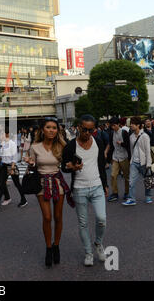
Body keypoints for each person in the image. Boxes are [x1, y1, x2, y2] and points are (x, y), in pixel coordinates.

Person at [61, 114, 108, 267]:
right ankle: (88, 252)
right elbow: (64, 167)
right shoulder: (70, 146)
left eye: (91, 130)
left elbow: (101, 165)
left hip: (97, 186)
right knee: (83, 223)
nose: (87, 133)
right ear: (79, 128)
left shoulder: (98, 142)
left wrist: (105, 184)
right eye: (85, 129)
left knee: (102, 219)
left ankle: (98, 243)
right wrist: (72, 167)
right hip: (79, 188)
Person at [25, 118, 70, 267]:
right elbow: (32, 168)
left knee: (58, 216)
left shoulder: (62, 146)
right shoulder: (35, 147)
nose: (51, 130)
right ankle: (48, 248)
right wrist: (31, 164)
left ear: (58, 131)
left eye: (54, 128)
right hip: (42, 183)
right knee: (47, 217)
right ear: (42, 130)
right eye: (48, 127)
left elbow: (67, 165)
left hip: (57, 182)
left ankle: (56, 245)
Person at [0, 128, 27, 211]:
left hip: (11, 166)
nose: (0, 136)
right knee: (2, 184)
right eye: (0, 135)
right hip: (4, 167)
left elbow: (14, 157)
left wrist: (12, 168)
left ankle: (23, 199)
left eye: (2, 134)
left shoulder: (12, 144)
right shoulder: (1, 144)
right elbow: (0, 156)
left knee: (17, 184)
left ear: (7, 134)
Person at [122, 117, 153, 206]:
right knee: (131, 181)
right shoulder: (131, 137)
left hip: (144, 163)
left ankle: (148, 196)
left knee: (147, 180)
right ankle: (132, 199)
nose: (131, 125)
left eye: (133, 123)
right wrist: (131, 161)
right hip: (134, 162)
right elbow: (131, 150)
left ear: (138, 125)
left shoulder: (145, 136)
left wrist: (148, 164)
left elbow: (147, 151)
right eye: (130, 123)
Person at [108, 117, 130, 202]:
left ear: (118, 124)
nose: (112, 127)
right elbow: (111, 146)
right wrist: (110, 158)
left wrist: (122, 143)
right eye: (111, 126)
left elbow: (128, 145)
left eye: (114, 125)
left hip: (124, 157)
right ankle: (115, 193)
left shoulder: (124, 132)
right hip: (115, 157)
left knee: (126, 176)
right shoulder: (111, 133)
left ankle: (127, 193)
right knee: (113, 175)